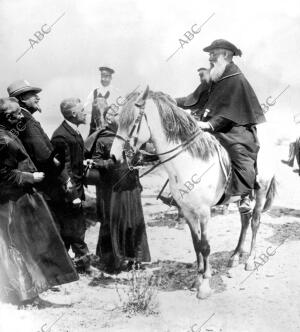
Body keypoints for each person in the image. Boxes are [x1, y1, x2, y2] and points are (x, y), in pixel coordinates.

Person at [0, 97, 78, 308]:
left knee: (28, 245)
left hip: (19, 197)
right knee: (19, 247)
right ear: (6, 118)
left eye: (19, 112)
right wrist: (30, 177)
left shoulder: (8, 134)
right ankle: (27, 298)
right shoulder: (3, 140)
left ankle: (32, 293)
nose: (20, 117)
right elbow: (4, 174)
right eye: (15, 114)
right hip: (12, 201)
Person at [197, 39, 266, 213]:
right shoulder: (217, 76)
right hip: (215, 125)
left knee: (239, 152)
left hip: (236, 128)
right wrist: (172, 101)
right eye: (209, 54)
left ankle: (245, 195)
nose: (210, 58)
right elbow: (197, 98)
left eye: (213, 54)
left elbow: (230, 110)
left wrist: (210, 125)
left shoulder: (236, 79)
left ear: (226, 55)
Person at [86, 106, 151, 272]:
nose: (121, 119)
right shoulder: (101, 138)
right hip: (112, 190)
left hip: (131, 187)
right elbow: (94, 163)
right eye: (116, 115)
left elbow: (138, 158)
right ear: (109, 119)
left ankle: (135, 258)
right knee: (114, 222)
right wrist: (111, 163)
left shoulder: (129, 137)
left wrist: (140, 158)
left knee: (134, 221)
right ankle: (113, 261)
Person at [6, 79, 70, 199]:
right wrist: (65, 178)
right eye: (33, 94)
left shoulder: (19, 119)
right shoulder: (26, 120)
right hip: (42, 184)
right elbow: (44, 155)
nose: (38, 98)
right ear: (22, 98)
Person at [50, 98, 91, 273]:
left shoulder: (73, 131)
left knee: (72, 227)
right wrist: (73, 195)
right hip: (67, 191)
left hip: (75, 188)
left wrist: (84, 162)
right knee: (75, 228)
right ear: (73, 114)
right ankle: (83, 264)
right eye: (82, 110)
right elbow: (62, 168)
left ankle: (63, 266)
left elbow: (73, 161)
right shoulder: (61, 136)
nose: (86, 112)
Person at [85, 66, 121, 135]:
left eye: (106, 76)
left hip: (110, 130)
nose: (103, 79)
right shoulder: (94, 92)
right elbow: (86, 109)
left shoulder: (116, 93)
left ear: (111, 78)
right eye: (102, 76)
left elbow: (119, 113)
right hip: (95, 130)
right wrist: (95, 119)